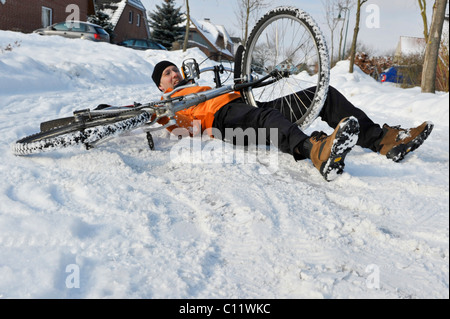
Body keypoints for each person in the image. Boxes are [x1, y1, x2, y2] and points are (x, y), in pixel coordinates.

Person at [151, 60, 434, 181]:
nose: (174, 75)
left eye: (175, 70)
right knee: (266, 117)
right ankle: (317, 152)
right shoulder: (167, 103)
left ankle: (383, 141)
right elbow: (177, 128)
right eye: (168, 74)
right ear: (161, 86)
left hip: (244, 106)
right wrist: (163, 116)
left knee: (323, 95)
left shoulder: (200, 86)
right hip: (222, 121)